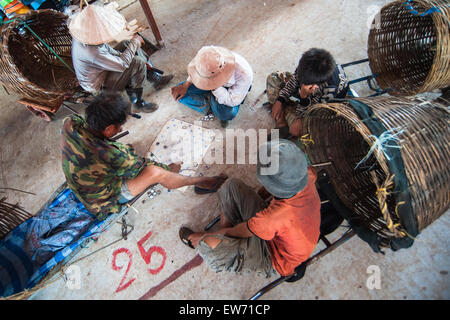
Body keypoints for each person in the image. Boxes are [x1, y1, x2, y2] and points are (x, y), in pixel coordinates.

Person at [61, 92, 226, 220]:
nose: (120, 130)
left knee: (127, 154)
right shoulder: (115, 156)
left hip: (79, 184)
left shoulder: (70, 122)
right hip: (103, 201)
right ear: (110, 129)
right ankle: (203, 182)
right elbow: (143, 167)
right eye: (119, 127)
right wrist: (169, 168)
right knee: (155, 172)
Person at [179, 139, 321, 277]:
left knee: (208, 244)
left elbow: (240, 231)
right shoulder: (308, 174)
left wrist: (205, 236)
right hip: (278, 232)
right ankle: (227, 237)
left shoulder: (272, 218)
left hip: (274, 256)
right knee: (230, 185)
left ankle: (221, 238)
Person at [69, 4, 173, 113]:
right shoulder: (91, 52)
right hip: (101, 86)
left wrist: (132, 46)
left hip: (101, 70)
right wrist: (136, 43)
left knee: (127, 44)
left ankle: (154, 78)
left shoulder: (86, 35)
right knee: (137, 62)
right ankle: (138, 102)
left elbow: (110, 52)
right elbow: (121, 65)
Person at [267, 48, 349, 138]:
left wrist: (304, 96)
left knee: (297, 129)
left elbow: (312, 112)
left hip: (322, 107)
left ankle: (284, 117)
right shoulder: (307, 65)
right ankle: (281, 122)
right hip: (308, 90)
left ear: (315, 85)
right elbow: (294, 80)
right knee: (273, 78)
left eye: (304, 82)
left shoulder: (329, 89)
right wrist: (280, 99)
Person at [171, 45, 253, 128]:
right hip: (208, 82)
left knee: (226, 114)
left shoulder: (244, 74)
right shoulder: (206, 55)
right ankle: (211, 104)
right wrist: (186, 84)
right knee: (179, 93)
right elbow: (197, 71)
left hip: (230, 90)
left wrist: (215, 88)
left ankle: (214, 103)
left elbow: (232, 100)